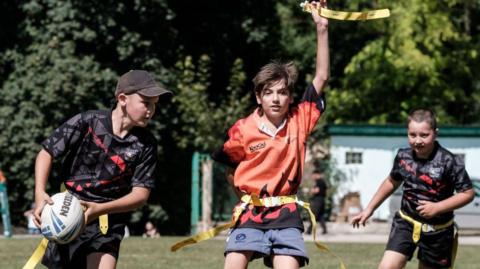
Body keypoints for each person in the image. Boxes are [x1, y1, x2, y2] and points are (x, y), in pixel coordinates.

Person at [211, 1, 329, 268]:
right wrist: (244, 197)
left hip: (286, 216)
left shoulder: (301, 119)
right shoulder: (242, 129)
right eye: (268, 92)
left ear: (290, 96)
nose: (275, 99)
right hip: (250, 214)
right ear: (258, 96)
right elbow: (230, 168)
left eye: (282, 92)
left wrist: (322, 28)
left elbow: (321, 76)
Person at [32, 70, 171, 269]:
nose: (151, 110)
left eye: (154, 105)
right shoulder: (87, 122)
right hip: (67, 212)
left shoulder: (146, 144)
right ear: (123, 99)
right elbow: (46, 152)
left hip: (107, 221)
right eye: (146, 103)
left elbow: (140, 194)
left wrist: (100, 209)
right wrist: (39, 192)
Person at [351, 108, 475, 269]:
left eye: (424, 135)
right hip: (406, 222)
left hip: (438, 231)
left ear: (435, 133)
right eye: (412, 135)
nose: (417, 140)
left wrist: (438, 207)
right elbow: (391, 182)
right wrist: (369, 209)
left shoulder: (449, 161)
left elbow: (468, 193)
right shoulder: (403, 156)